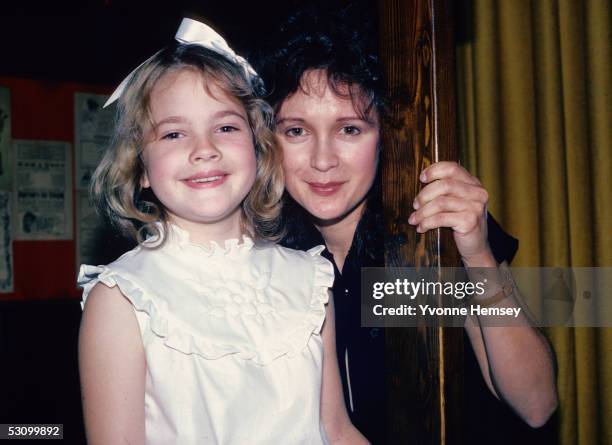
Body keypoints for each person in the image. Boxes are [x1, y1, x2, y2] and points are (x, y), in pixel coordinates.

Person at [254, 5, 558, 444]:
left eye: (350, 130)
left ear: (386, 136)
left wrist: (476, 253)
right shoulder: (264, 247)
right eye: (297, 131)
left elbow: (536, 406)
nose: (323, 160)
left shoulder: (427, 228)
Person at [78, 18, 367, 445]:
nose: (204, 149)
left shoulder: (311, 280)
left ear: (258, 144)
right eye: (174, 133)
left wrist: (476, 259)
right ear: (140, 166)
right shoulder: (124, 299)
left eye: (226, 127)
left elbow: (338, 431)